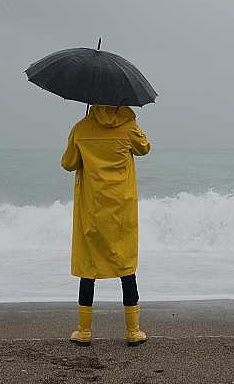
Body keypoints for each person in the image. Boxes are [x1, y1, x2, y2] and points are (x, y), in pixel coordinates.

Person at [61, 104, 151, 346]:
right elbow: (144, 149)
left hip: (91, 209)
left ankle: (84, 331)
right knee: (126, 265)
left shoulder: (80, 128)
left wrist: (82, 135)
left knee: (88, 266)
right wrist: (131, 119)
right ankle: (133, 332)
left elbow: (68, 163)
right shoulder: (128, 126)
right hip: (122, 210)